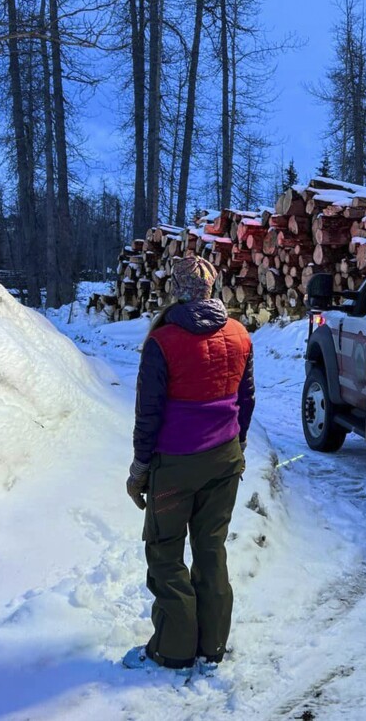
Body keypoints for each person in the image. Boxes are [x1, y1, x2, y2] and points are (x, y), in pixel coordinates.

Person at [122, 256, 255, 678]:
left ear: (176, 289)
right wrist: (239, 445)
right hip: (225, 459)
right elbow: (246, 400)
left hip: (175, 465)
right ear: (214, 288)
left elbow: (148, 415)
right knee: (211, 548)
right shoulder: (239, 334)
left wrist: (140, 469)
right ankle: (212, 643)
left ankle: (173, 650)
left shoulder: (163, 341)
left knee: (165, 553)